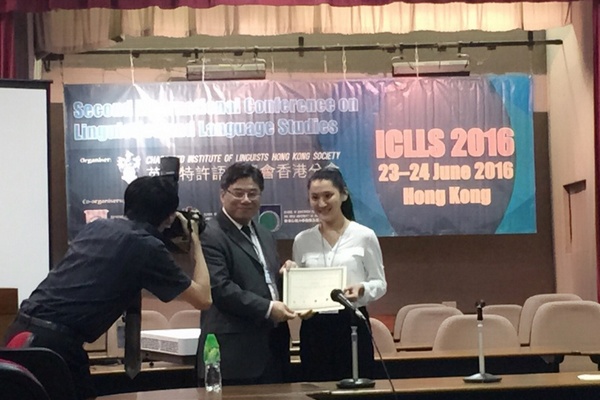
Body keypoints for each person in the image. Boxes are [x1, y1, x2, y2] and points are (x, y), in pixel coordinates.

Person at [2, 176, 212, 400]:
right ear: (170, 217)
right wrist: (195, 241)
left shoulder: (98, 227)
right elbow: (204, 298)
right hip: (55, 348)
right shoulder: (147, 247)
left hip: (20, 331)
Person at [197, 162, 296, 385]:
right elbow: (220, 289)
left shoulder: (264, 233)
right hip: (235, 354)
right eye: (238, 193)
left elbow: (266, 282)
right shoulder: (210, 234)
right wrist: (268, 308)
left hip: (273, 347)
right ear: (223, 194)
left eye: (253, 193)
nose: (246, 199)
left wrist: (287, 277)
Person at [292, 167, 387, 382]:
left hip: (352, 322)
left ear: (343, 195)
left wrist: (363, 289)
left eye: (328, 195)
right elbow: (299, 287)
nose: (321, 203)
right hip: (314, 328)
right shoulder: (302, 240)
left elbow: (380, 283)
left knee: (357, 388)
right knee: (316, 388)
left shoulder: (364, 236)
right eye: (315, 197)